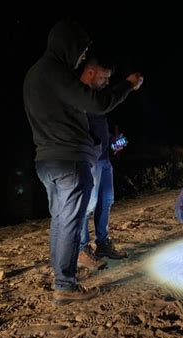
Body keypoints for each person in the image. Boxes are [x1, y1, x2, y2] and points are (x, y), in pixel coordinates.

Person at [23, 19, 143, 305]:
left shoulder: (34, 74)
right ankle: (65, 284)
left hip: (47, 160)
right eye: (82, 50)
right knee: (70, 221)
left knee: (61, 220)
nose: (82, 56)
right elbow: (97, 103)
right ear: (68, 44)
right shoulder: (55, 72)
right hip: (69, 161)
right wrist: (127, 85)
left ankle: (62, 277)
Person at [77, 54, 133, 271]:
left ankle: (102, 243)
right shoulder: (79, 96)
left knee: (106, 201)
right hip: (88, 160)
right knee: (86, 206)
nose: (107, 82)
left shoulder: (96, 98)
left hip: (104, 159)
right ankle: (82, 249)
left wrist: (113, 141)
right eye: (104, 77)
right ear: (90, 72)